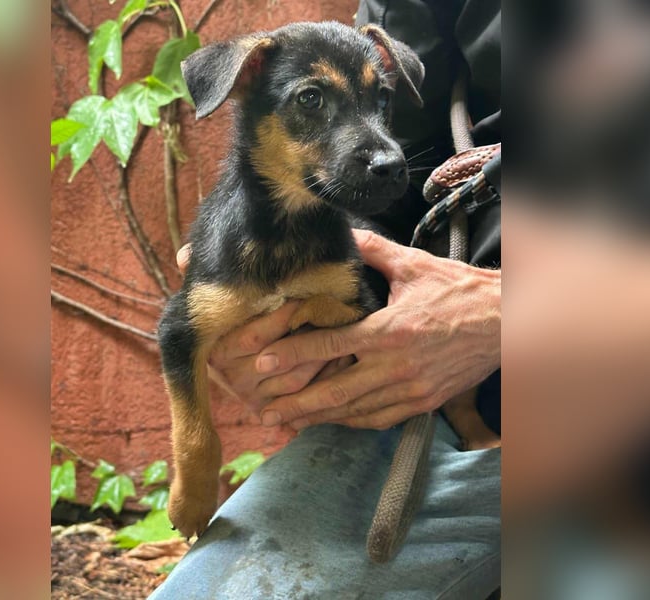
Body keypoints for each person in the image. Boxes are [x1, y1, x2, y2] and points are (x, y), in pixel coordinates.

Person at [150, 1, 501, 597]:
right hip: (421, 394)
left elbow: (360, 311)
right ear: (247, 92)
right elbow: (181, 335)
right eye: (311, 102)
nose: (381, 144)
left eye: (377, 101)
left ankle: (470, 418)